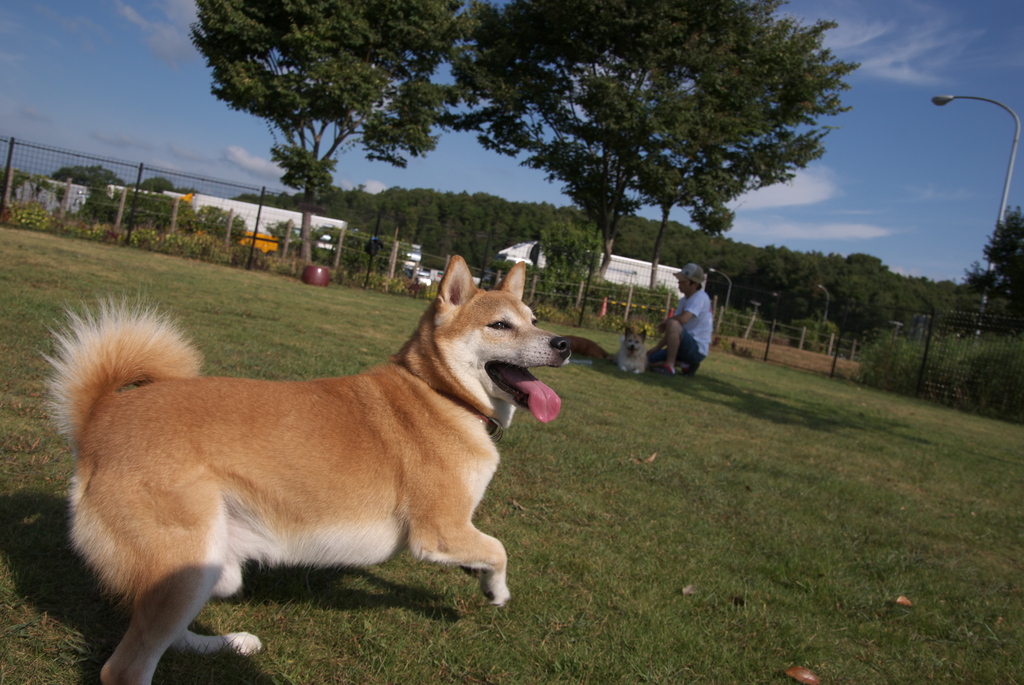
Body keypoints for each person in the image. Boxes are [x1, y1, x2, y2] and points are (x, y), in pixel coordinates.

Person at [647, 263, 714, 376]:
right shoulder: (684, 300)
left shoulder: (699, 297)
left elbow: (682, 319)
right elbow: (673, 329)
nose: (679, 283)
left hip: (696, 349)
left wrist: (667, 321)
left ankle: (669, 366)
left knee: (673, 322)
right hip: (684, 346)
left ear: (695, 284)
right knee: (647, 361)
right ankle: (684, 364)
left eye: (683, 281)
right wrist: (657, 348)